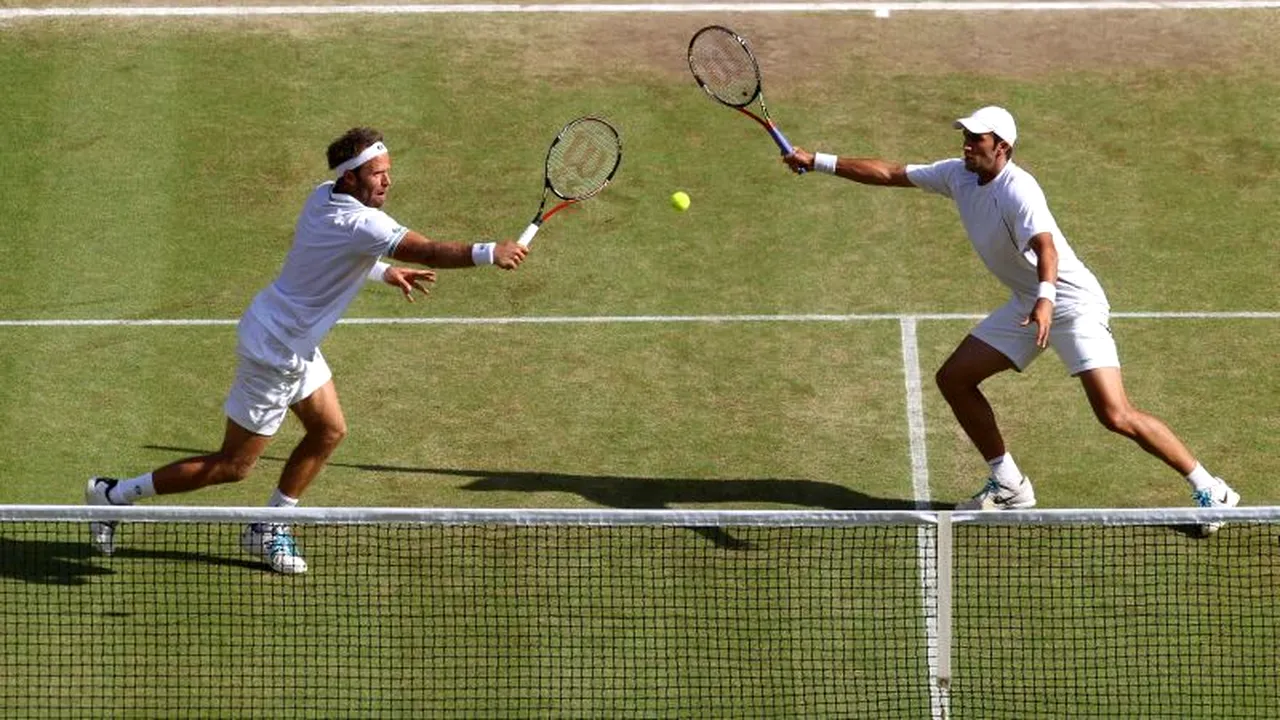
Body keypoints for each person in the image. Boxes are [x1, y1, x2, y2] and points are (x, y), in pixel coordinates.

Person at [86, 127, 528, 573]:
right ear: (351, 178)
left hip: (287, 337)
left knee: (329, 431)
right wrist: (491, 252)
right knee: (233, 466)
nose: (387, 181)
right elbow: (428, 251)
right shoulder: (363, 222)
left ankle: (269, 526)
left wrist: (383, 273)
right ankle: (112, 496)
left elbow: (337, 254)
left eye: (388, 172)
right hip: (275, 352)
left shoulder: (323, 195)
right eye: (377, 174)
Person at [782, 106, 1239, 531]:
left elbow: (1046, 248)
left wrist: (1045, 300)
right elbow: (890, 172)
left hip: (1070, 302)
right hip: (1028, 301)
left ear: (1002, 146)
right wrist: (817, 159)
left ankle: (1210, 489)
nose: (966, 145)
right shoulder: (957, 175)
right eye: (965, 136)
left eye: (975, 139)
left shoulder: (1019, 189)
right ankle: (1010, 485)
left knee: (1115, 414)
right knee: (955, 378)